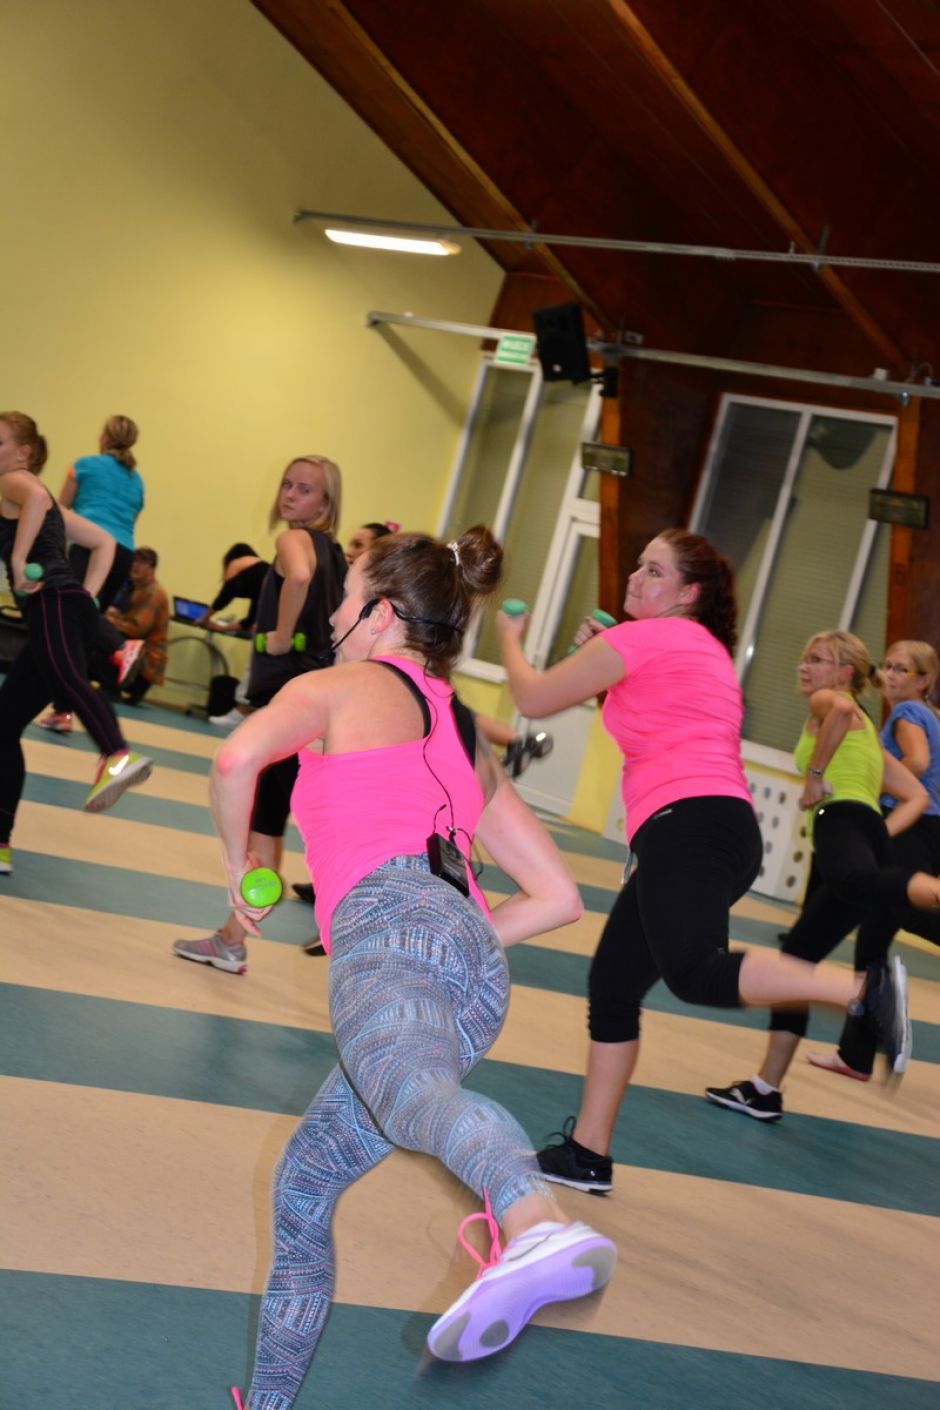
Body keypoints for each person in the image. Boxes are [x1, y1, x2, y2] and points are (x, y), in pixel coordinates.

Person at [211, 526, 615, 1408]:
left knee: (413, 1098)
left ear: (382, 614)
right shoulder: (465, 735)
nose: (333, 616)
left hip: (392, 930)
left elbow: (235, 758)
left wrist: (240, 873)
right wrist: (447, 932)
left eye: (346, 598)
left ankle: (535, 1222)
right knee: (304, 1185)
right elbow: (558, 897)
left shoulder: (334, 687)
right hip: (471, 967)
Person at [496, 530, 918, 1191]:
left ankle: (864, 993)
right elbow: (642, 715)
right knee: (614, 987)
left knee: (695, 972)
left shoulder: (646, 639)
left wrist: (509, 640)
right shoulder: (700, 650)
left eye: (654, 571)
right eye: (639, 565)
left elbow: (531, 699)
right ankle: (588, 1154)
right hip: (715, 828)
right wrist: (598, 659)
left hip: (687, 827)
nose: (636, 577)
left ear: (688, 592)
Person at [174, 455, 346, 972]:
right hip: (315, 697)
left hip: (286, 697)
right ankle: (233, 935)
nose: (290, 495)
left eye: (305, 489)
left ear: (326, 501)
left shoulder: (294, 541)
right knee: (269, 819)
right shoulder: (337, 554)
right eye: (287, 485)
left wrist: (279, 634)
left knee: (259, 821)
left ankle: (234, 939)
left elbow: (298, 577)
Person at [0, 412, 153, 875]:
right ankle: (1, 842)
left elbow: (32, 502)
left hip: (50, 602)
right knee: (3, 726)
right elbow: (104, 542)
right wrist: (87, 596)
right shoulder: (45, 497)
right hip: (66, 602)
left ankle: (116, 753)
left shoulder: (14, 481)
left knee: (67, 678)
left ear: (24, 453)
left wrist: (20, 559)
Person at [798, 640, 940, 1083]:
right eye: (889, 666)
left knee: (904, 914)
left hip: (913, 829)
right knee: (872, 943)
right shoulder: (931, 715)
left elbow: (918, 762)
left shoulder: (907, 714)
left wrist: (872, 775)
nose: (891, 676)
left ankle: (857, 1048)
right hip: (927, 828)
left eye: (903, 670)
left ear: (925, 680)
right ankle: (856, 1054)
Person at [40, 414, 145, 733]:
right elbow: (130, 520)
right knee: (83, 625)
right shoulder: (137, 480)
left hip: (90, 548)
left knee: (75, 618)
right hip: (123, 553)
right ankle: (63, 711)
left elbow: (58, 512)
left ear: (105, 437)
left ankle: (119, 646)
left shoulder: (84, 465)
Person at [96, 547, 169, 704]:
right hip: (138, 661)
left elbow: (136, 629)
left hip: (142, 666)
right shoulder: (133, 588)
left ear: (152, 567)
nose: (135, 565)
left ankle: (112, 688)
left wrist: (109, 619)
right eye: (134, 561)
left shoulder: (153, 593)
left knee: (101, 631)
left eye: (142, 562)